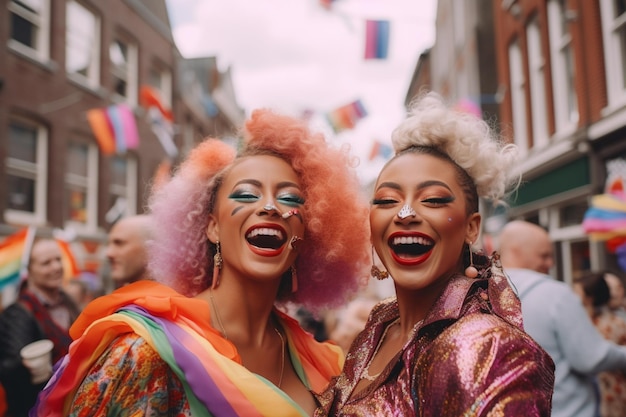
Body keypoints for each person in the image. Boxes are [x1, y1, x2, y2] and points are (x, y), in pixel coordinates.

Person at [31, 109, 371, 416]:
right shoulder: (146, 353)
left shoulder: (327, 363)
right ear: (211, 226)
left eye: (289, 198)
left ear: (310, 234)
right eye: (247, 194)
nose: (270, 207)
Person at [316, 92, 555, 416]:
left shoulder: (485, 346)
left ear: (472, 228)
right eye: (387, 201)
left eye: (433, 200)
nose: (405, 214)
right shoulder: (378, 327)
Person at [499, 220, 626, 417]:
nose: (551, 263)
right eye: (544, 256)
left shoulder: (481, 291)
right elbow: (591, 358)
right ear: (515, 251)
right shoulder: (554, 294)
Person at [0, 238, 80, 417]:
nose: (56, 267)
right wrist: (30, 367)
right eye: (46, 263)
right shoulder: (17, 314)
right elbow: (8, 369)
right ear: (30, 270)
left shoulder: (70, 304)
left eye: (58, 260)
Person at [575, 272, 626, 417]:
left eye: (577, 292)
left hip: (608, 392)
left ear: (590, 298)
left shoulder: (608, 324)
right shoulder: (608, 321)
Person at [105, 214, 153, 289]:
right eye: (109, 244)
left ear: (149, 248)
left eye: (119, 243)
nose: (109, 253)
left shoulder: (169, 299)